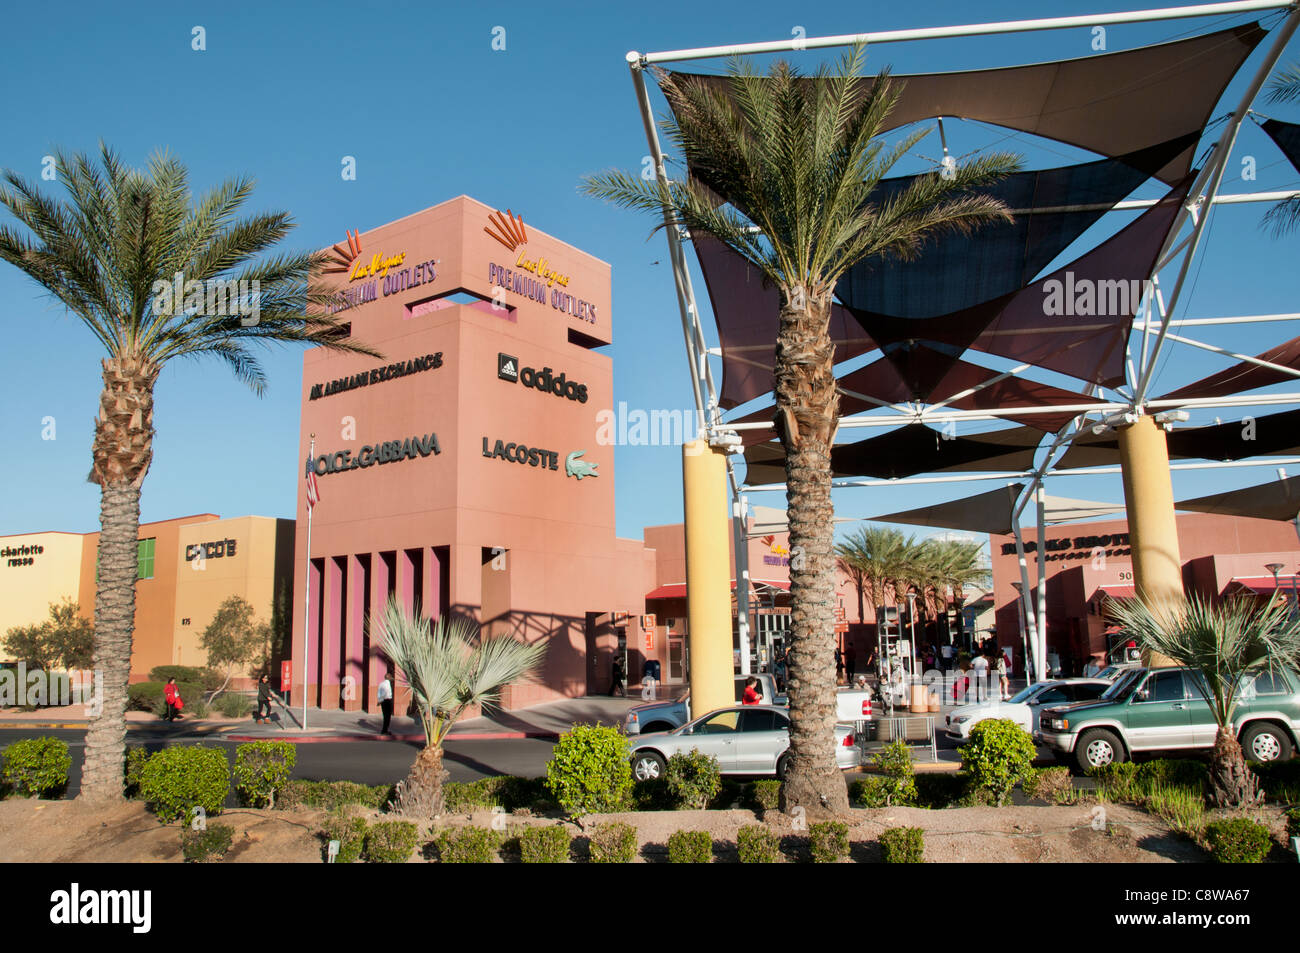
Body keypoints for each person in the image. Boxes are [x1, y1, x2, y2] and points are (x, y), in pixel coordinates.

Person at [378, 669, 394, 736]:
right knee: (388, 716)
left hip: (383, 701)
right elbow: (385, 693)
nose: (391, 679)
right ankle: (384, 730)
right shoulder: (387, 684)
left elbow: (379, 693)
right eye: (390, 677)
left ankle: (384, 730)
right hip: (387, 700)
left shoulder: (381, 683)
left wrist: (379, 700)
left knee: (385, 715)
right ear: (389, 677)